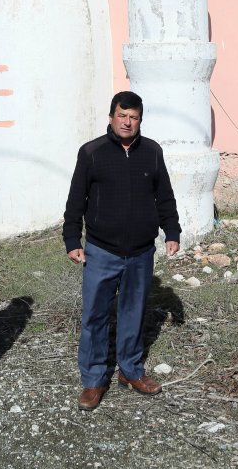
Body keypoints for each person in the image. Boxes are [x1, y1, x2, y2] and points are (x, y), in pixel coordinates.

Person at [63, 91, 181, 410]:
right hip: (102, 251)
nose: (127, 122)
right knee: (95, 316)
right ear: (111, 117)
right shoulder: (91, 153)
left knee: (133, 313)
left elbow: (164, 196)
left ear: (140, 119)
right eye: (122, 115)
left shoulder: (152, 152)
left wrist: (172, 231)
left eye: (134, 117)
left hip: (141, 252)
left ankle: (130, 370)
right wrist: (72, 239)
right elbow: (76, 201)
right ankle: (93, 380)